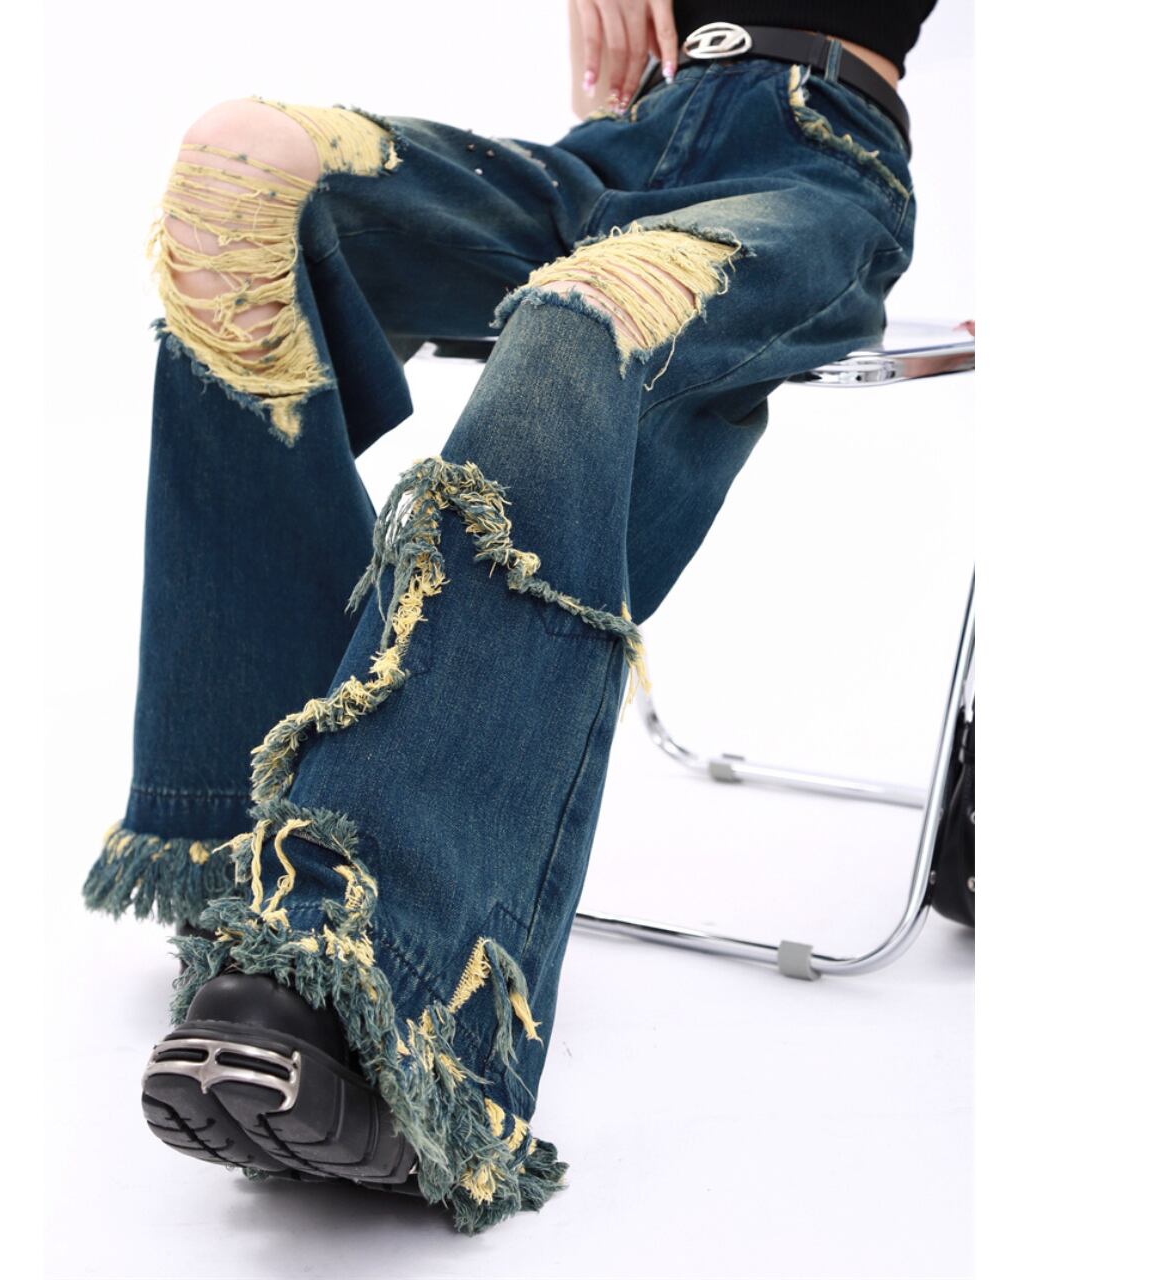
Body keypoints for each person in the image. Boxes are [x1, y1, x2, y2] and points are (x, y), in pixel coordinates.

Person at [84, 0, 936, 1234]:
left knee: (584, 307)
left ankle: (387, 971)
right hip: (618, 150)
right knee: (238, 167)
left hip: (814, 163)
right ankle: (253, 860)